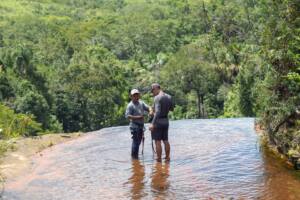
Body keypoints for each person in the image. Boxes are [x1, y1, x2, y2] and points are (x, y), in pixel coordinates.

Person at [149, 83, 174, 162]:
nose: (152, 92)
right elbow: (172, 109)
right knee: (165, 140)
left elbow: (158, 112)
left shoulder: (157, 97)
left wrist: (152, 123)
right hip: (166, 121)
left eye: (153, 90)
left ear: (156, 88)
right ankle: (167, 157)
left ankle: (159, 159)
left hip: (158, 121)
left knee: (157, 141)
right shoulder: (169, 97)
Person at [125, 89, 150, 159]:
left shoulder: (141, 103)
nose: (136, 96)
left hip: (141, 126)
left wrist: (150, 110)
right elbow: (127, 116)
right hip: (134, 126)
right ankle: (134, 158)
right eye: (134, 95)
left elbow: (147, 108)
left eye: (137, 95)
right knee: (136, 142)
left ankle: (135, 159)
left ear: (139, 95)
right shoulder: (130, 105)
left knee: (138, 142)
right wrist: (138, 117)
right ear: (131, 96)